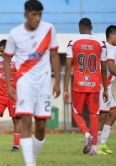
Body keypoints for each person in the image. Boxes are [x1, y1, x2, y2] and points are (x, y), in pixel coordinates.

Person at [3, 1, 61, 165]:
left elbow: (55, 54)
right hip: (25, 83)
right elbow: (7, 59)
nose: (37, 18)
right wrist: (9, 85)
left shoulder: (49, 29)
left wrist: (57, 81)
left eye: (40, 15)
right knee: (26, 120)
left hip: (43, 82)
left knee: (41, 126)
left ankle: (32, 157)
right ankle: (30, 163)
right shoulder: (15, 34)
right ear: (25, 15)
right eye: (33, 15)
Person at [64, 18, 108, 156]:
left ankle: (87, 134)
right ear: (91, 27)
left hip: (79, 84)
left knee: (76, 113)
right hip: (95, 85)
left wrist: (65, 88)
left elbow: (68, 66)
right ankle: (94, 148)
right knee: (93, 115)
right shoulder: (101, 44)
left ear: (80, 27)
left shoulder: (73, 42)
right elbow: (104, 69)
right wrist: (106, 89)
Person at [97, 25, 116, 155]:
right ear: (111, 35)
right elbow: (110, 66)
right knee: (102, 116)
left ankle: (101, 142)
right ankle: (97, 146)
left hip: (102, 84)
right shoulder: (112, 48)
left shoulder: (102, 46)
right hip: (104, 85)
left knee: (114, 113)